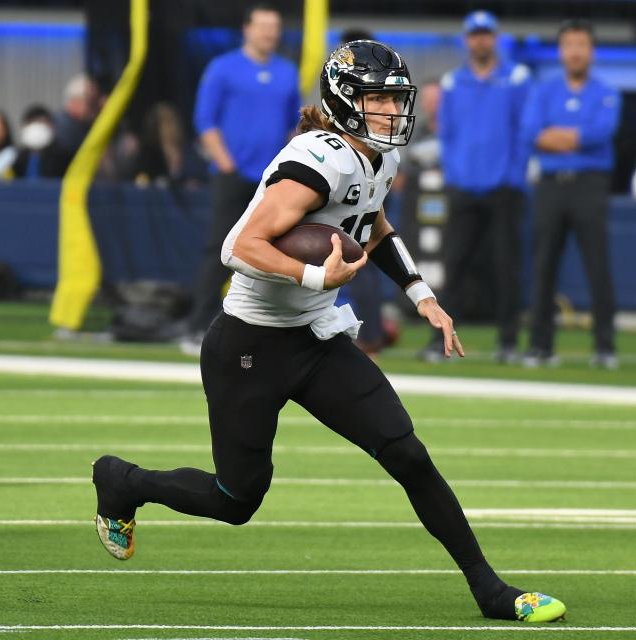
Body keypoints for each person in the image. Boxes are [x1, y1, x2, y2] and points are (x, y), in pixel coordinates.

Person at [92, 40, 566, 624]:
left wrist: (422, 295)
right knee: (236, 499)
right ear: (346, 102)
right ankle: (122, 481)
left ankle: (490, 590)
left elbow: (374, 223)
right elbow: (238, 246)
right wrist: (314, 274)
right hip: (249, 342)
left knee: (408, 453)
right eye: (379, 99)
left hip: (314, 337)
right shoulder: (320, 158)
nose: (394, 112)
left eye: (397, 99)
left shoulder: (377, 157)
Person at [179, 4, 301, 356]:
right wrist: (227, 164)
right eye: (263, 26)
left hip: (275, 180)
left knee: (277, 251)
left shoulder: (287, 72)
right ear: (247, 29)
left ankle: (269, 329)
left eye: (274, 27)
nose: (270, 33)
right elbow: (205, 121)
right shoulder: (223, 68)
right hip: (233, 176)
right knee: (221, 248)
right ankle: (196, 325)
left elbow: (295, 125)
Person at [419, 10, 532, 364]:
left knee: (507, 267)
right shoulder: (454, 82)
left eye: (485, 34)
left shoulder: (516, 77)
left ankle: (508, 343)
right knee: (454, 266)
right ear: (467, 40)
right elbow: (446, 134)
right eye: (475, 34)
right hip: (464, 187)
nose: (480, 40)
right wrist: (454, 176)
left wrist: (513, 176)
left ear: (493, 38)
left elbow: (524, 130)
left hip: (504, 188)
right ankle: (440, 342)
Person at [520, 18, 621, 369]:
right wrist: (574, 138)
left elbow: (600, 133)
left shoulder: (606, 92)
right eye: (569, 45)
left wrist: (559, 137)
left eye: (582, 44)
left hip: (590, 185)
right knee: (544, 265)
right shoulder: (543, 90)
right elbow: (533, 133)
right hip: (550, 186)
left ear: (591, 51)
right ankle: (540, 346)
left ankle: (605, 348)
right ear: (561, 51)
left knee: (598, 266)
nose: (575, 51)